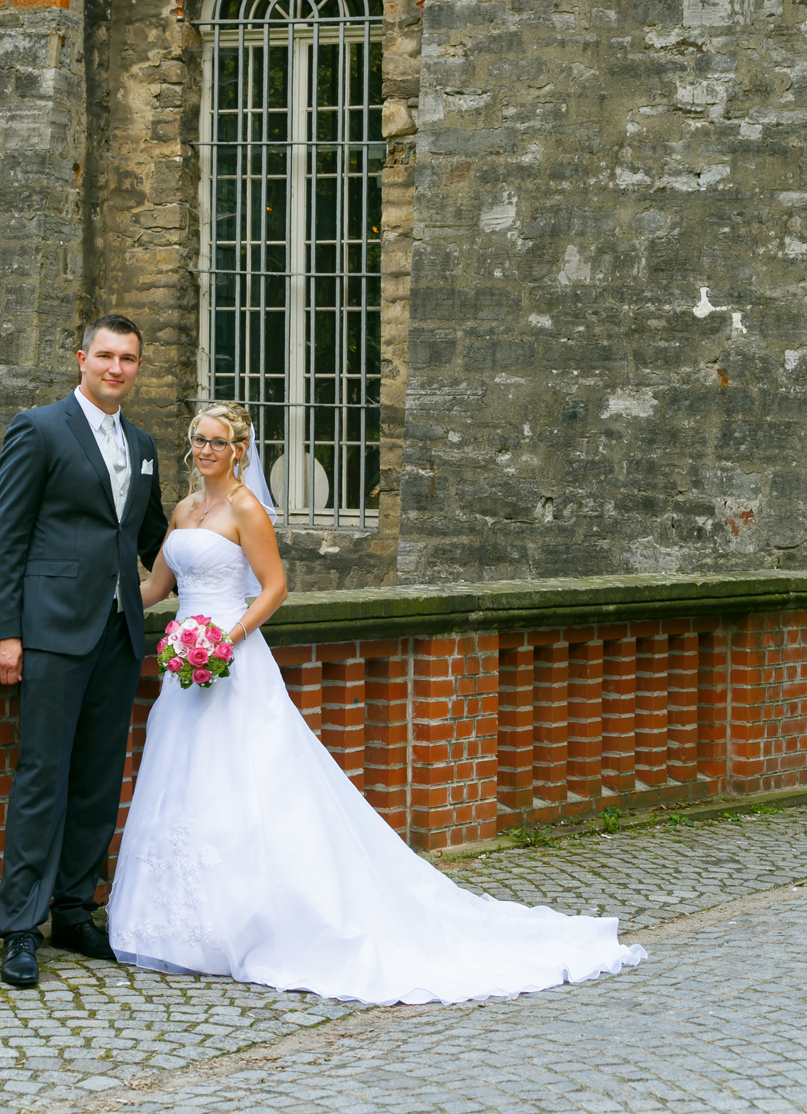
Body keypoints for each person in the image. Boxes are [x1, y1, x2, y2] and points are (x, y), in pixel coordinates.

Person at [106, 402, 646, 1004]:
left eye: (215, 442)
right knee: (181, 784)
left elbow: (276, 588)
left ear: (239, 450)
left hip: (231, 662)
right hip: (185, 667)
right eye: (196, 441)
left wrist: (224, 639)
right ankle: (182, 928)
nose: (203, 451)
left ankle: (252, 922)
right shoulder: (183, 510)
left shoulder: (245, 509)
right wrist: (105, 602)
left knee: (246, 786)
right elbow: (157, 587)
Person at [0, 314, 168, 988]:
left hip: (120, 636)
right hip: (53, 633)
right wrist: (5, 632)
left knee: (98, 780)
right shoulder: (38, 428)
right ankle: (20, 930)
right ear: (82, 358)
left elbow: (152, 535)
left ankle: (72, 910)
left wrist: (222, 575)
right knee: (42, 777)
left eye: (129, 359)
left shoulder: (143, 443)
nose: (116, 368)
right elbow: (7, 536)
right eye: (106, 356)